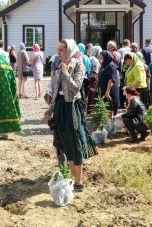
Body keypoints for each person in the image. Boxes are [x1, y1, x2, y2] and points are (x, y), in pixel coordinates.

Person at [44, 39, 97, 192]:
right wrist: (51, 108)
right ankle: (72, 178)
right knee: (65, 142)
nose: (58, 53)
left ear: (70, 51)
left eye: (61, 50)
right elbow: (55, 92)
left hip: (73, 108)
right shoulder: (60, 67)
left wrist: (66, 73)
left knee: (75, 142)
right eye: (58, 49)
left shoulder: (78, 66)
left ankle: (78, 181)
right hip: (61, 107)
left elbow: (75, 88)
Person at [97, 51, 120, 119]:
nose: (100, 59)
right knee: (105, 106)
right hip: (103, 88)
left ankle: (111, 123)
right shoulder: (104, 64)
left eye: (101, 57)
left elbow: (111, 79)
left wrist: (107, 91)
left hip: (110, 90)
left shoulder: (111, 66)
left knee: (111, 106)